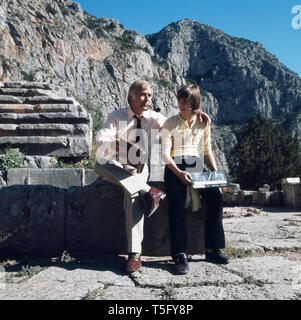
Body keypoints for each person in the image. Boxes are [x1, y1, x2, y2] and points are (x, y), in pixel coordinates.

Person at [95, 80, 210, 273]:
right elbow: (101, 141)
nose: (147, 99)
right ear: (132, 96)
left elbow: (179, 119)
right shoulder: (116, 116)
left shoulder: (156, 118)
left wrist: (197, 112)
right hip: (117, 163)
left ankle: (134, 255)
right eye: (143, 95)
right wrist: (121, 146)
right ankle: (150, 191)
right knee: (99, 162)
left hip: (138, 168)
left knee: (131, 194)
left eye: (149, 95)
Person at [161, 84, 230, 275]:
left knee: (216, 197)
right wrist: (178, 173)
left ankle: (213, 250)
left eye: (185, 101)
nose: (180, 105)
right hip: (175, 166)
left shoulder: (203, 123)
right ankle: (180, 255)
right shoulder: (169, 123)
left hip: (197, 165)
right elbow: (165, 155)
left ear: (194, 103)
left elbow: (207, 152)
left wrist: (217, 177)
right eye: (179, 101)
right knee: (176, 203)